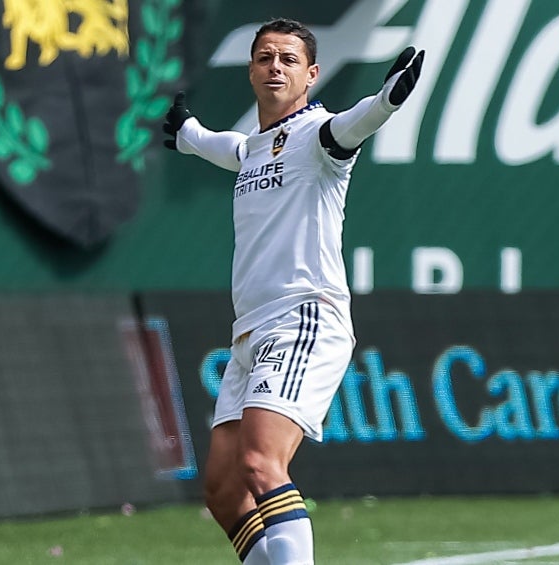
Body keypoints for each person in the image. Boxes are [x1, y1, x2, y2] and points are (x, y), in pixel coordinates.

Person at [162, 17, 423, 564]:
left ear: (311, 75)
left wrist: (388, 99)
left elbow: (354, 125)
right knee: (222, 490)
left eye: (287, 59)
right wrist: (186, 133)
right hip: (249, 332)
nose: (274, 66)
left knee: (260, 464)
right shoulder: (254, 147)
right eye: (264, 57)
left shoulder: (318, 134)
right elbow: (221, 146)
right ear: (251, 70)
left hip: (304, 316)